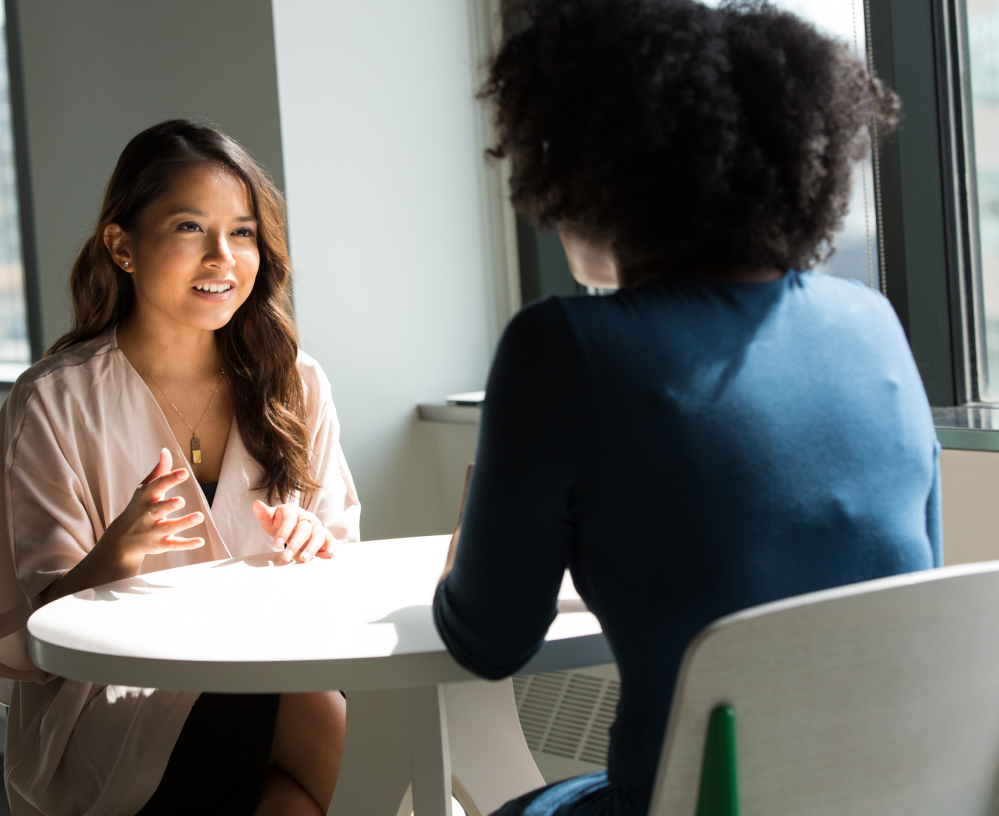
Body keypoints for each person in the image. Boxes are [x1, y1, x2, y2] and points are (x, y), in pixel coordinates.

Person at [433, 2, 938, 815]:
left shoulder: (562, 345)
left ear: (596, 172)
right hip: (893, 797)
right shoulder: (871, 326)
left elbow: (487, 642)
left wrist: (470, 559)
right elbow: (902, 594)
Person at [0, 120, 360, 816]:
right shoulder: (52, 401)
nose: (222, 257)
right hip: (107, 708)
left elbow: (338, 556)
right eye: (190, 228)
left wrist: (317, 549)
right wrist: (112, 559)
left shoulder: (297, 383)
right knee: (314, 714)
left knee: (304, 738)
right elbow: (29, 635)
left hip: (271, 671)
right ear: (121, 247)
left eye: (244, 232)